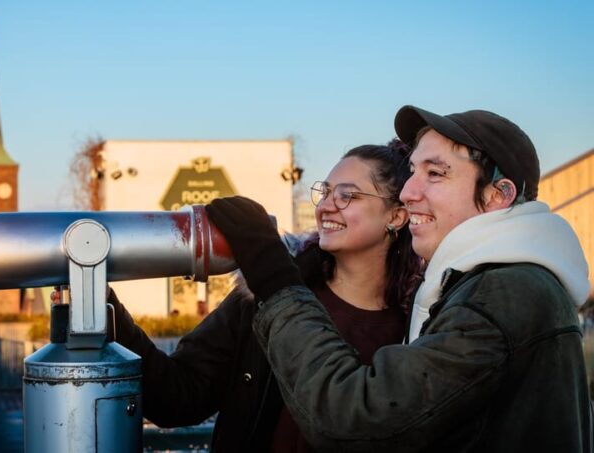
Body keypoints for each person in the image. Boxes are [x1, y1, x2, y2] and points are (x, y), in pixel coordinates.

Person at [207, 106, 592, 452]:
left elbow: (356, 417)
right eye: (412, 173)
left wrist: (273, 276)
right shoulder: (485, 284)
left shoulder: (505, 294)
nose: (408, 192)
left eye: (436, 174)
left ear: (498, 194)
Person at [108, 140, 421, 451]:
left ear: (396, 216)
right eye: (324, 192)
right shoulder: (263, 295)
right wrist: (102, 306)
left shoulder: (420, 324)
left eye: (347, 196)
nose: (325, 206)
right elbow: (176, 396)